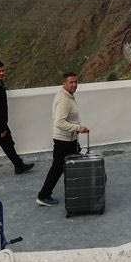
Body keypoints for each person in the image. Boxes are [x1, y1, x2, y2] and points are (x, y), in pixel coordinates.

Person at [36, 71, 89, 206]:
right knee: (57, 168)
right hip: (63, 141)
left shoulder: (68, 96)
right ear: (64, 83)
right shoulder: (65, 99)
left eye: (76, 82)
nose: (74, 85)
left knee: (69, 166)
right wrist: (78, 128)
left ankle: (77, 191)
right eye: (71, 82)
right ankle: (43, 195)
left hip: (69, 140)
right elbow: (59, 122)